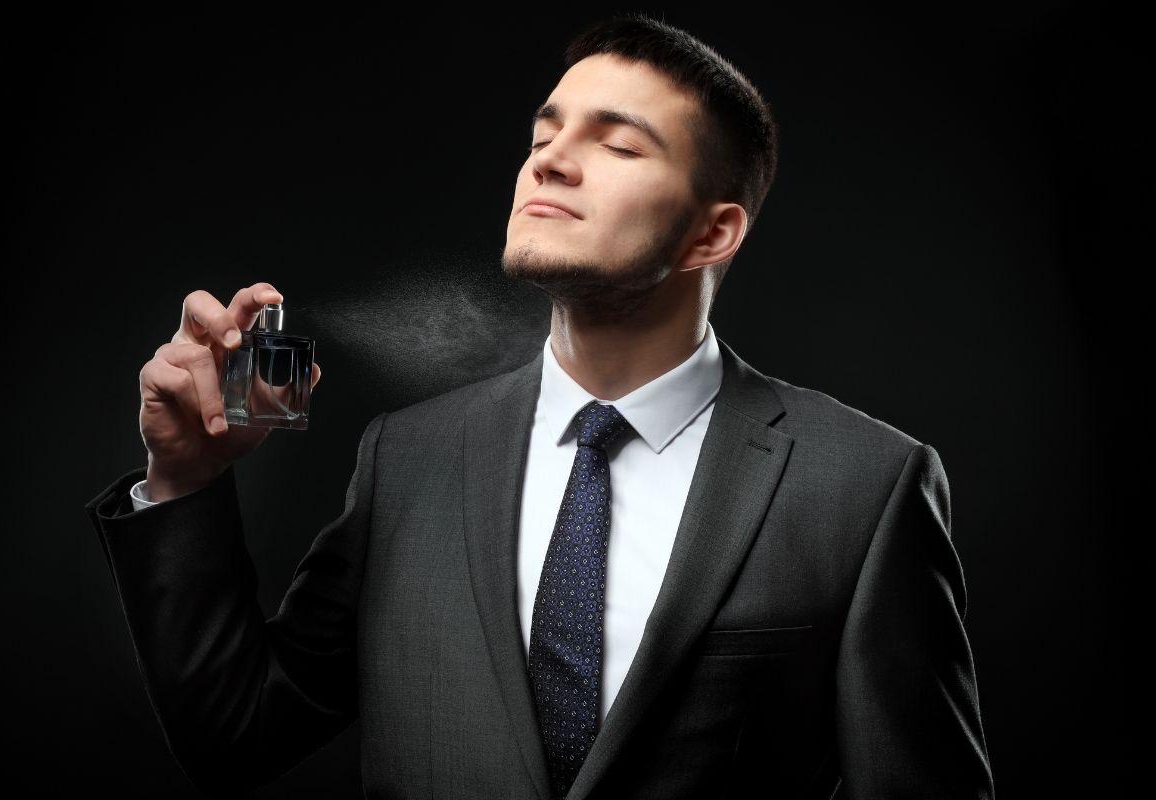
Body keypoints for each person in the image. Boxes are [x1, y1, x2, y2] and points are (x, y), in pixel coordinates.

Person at [85, 13, 994, 799]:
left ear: (712, 232)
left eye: (619, 144)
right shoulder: (407, 458)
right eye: (543, 135)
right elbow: (234, 740)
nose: (550, 161)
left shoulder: (865, 485)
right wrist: (185, 480)